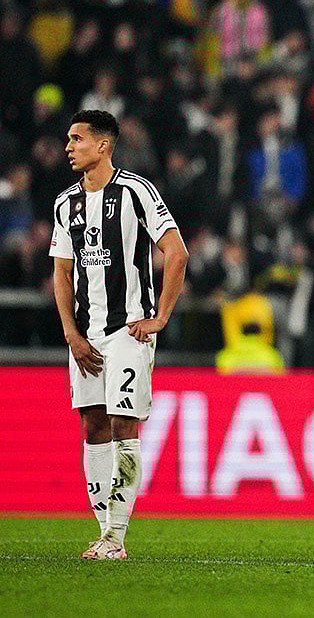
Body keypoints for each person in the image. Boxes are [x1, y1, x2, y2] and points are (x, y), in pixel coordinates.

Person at [50, 110, 189, 560]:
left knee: (123, 423)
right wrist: (71, 334)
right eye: (68, 139)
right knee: (92, 424)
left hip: (128, 331)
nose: (69, 146)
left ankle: (115, 537)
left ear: (103, 145)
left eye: (77, 139)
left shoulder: (136, 192)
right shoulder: (65, 202)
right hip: (85, 336)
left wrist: (160, 317)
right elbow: (62, 273)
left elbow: (177, 252)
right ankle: (102, 531)